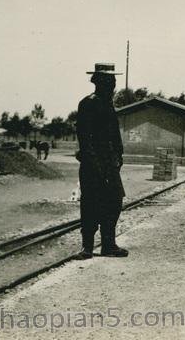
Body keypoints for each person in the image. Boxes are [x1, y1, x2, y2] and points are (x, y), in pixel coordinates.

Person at [75, 62, 128, 259]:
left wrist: (118, 157)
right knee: (90, 204)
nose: (113, 84)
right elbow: (85, 138)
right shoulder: (88, 103)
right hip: (93, 164)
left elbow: (114, 135)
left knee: (114, 201)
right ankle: (87, 247)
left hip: (110, 164)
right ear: (98, 82)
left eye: (114, 81)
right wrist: (94, 164)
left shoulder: (108, 104)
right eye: (109, 80)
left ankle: (108, 244)